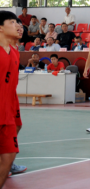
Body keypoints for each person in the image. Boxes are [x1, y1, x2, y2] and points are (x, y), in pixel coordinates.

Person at [0, 11, 23, 186]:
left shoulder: (14, 52)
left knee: (9, 155)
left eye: (18, 23)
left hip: (8, 108)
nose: (17, 26)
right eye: (12, 22)